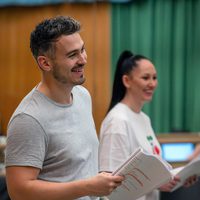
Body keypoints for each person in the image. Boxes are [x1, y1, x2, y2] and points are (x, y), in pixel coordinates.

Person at [5, 16, 124, 200]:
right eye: (72, 55)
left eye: (82, 50)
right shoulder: (28, 118)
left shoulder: (83, 96)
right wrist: (87, 187)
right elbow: (19, 192)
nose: (83, 59)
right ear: (45, 63)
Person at [98, 50, 181, 200]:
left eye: (154, 78)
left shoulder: (144, 118)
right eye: (145, 78)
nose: (152, 83)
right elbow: (110, 186)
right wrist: (156, 183)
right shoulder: (117, 121)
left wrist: (173, 178)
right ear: (127, 81)